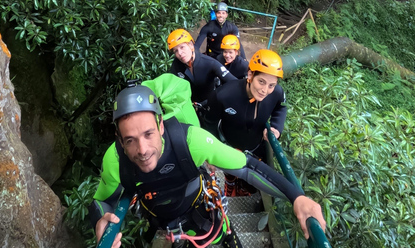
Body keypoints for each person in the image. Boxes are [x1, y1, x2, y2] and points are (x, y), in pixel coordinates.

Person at [90, 84, 327, 248]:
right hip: (161, 221)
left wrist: (296, 197)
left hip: (201, 209)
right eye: (130, 140)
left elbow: (247, 167)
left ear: (161, 125)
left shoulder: (191, 142)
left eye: (149, 134)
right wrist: (100, 222)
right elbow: (102, 201)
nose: (142, 150)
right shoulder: (115, 161)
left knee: (221, 232)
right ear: (119, 140)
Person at [205, 49, 287, 196]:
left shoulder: (276, 93)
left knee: (252, 180)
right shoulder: (224, 95)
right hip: (230, 145)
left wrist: (275, 127)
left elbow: (280, 108)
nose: (265, 90)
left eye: (271, 85)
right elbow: (209, 124)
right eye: (261, 81)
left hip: (257, 146)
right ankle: (230, 184)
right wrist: (211, 153)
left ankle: (244, 188)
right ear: (250, 75)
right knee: (230, 171)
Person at [167, 28, 235, 104]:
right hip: (189, 105)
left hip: (210, 104)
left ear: (191, 45)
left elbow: (234, 82)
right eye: (175, 50)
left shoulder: (209, 63)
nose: (179, 53)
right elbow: (171, 85)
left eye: (182, 47)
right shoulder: (176, 64)